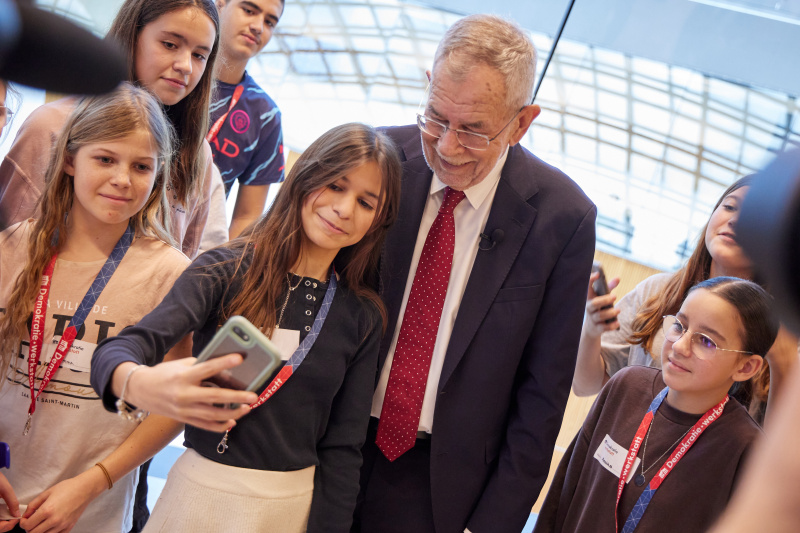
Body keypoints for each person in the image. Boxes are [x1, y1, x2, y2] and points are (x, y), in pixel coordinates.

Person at [90, 122, 401, 532]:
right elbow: (123, 348)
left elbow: (343, 449)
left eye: (366, 202)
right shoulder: (223, 269)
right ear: (306, 177)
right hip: (197, 492)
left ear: (379, 219)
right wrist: (135, 383)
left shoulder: (361, 315)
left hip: (289, 508)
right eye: (337, 186)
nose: (345, 209)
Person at [353, 14, 597, 533]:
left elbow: (543, 396)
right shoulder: (380, 158)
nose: (446, 146)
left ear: (522, 122)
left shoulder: (562, 218)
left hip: (444, 487)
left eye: (473, 130)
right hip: (334, 445)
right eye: (437, 119)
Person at [0, 84, 193, 533]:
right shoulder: (12, 247)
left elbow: (173, 405)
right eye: (105, 159)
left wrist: (91, 484)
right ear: (70, 159)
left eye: (141, 166)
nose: (123, 179)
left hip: (90, 515)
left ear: (158, 176)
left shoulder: (171, 274)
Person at [534, 276, 779, 533]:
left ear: (746, 367)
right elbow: (563, 491)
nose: (680, 346)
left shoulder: (747, 449)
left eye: (706, 341)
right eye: (679, 326)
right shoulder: (626, 387)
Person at [0, 0, 221, 259]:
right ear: (133, 35)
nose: (185, 65)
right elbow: (10, 251)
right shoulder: (52, 126)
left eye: (199, 55)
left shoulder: (196, 151)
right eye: (170, 45)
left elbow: (186, 261)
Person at [573, 176, 798, 424]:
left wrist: (783, 362)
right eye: (730, 206)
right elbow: (585, 386)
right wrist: (592, 331)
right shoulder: (657, 291)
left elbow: (780, 444)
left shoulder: (783, 330)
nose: (735, 220)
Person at [209, 0, 286, 238]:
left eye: (269, 21)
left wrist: (212, 269)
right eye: (249, 10)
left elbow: (247, 216)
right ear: (221, 3)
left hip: (191, 253)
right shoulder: (173, 72)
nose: (258, 26)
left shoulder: (266, 116)